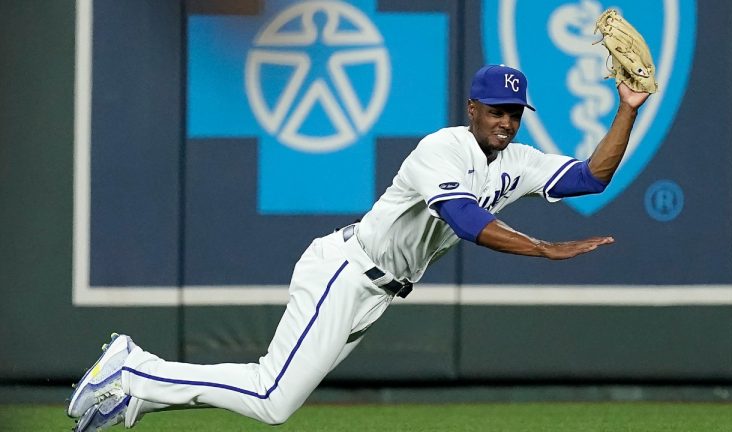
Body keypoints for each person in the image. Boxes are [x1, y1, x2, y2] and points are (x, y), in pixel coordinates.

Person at [67, 64, 650, 430]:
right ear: (471, 109)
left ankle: (133, 394)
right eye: (496, 109)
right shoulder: (439, 151)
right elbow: (467, 221)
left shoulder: (517, 161)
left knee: (273, 391)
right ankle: (133, 370)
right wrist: (545, 250)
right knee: (272, 398)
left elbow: (591, 176)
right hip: (346, 274)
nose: (506, 121)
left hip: (375, 293)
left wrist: (625, 110)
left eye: (515, 113)